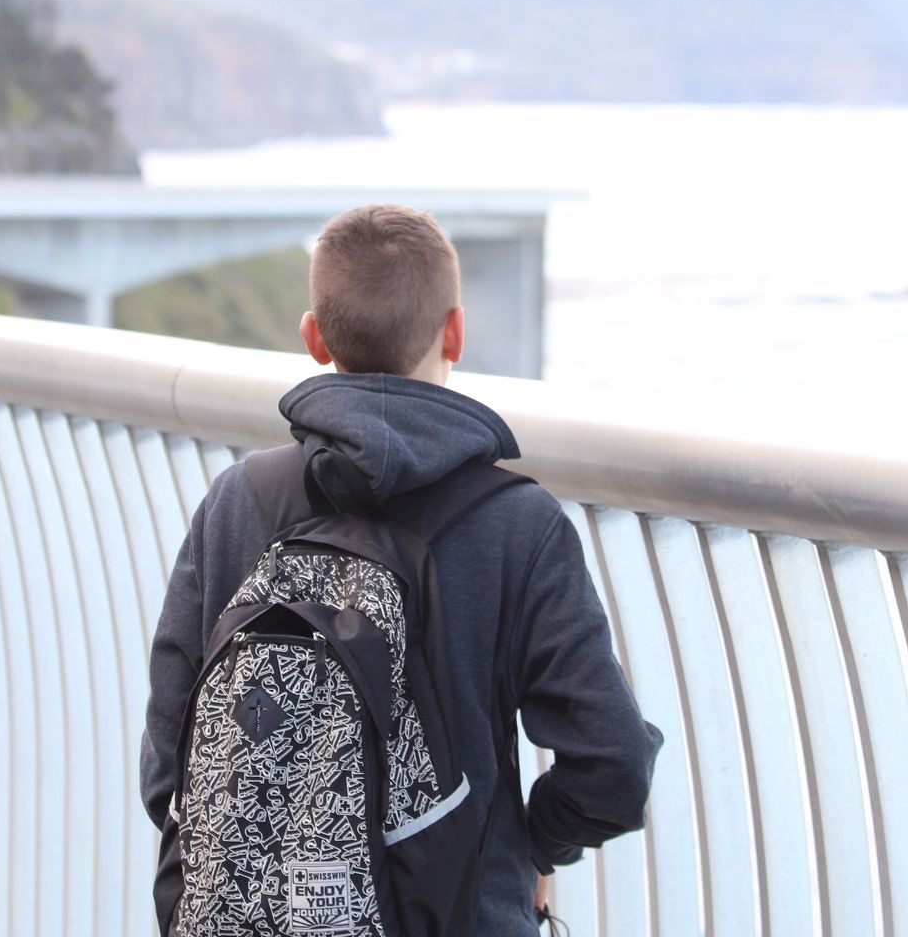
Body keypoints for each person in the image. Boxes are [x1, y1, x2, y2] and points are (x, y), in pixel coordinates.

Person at [141, 203, 662, 935]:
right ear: (454, 330)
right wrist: (523, 848)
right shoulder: (518, 525)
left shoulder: (238, 504)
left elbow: (171, 759)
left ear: (314, 338)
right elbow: (614, 768)